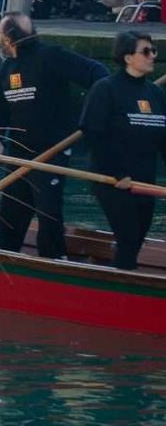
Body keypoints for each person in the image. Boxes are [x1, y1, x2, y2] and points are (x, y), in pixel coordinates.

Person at [0, 12, 107, 259]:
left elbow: (97, 73)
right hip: (18, 154)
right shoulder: (7, 69)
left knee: (48, 210)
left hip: (52, 151)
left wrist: (91, 115)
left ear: (9, 38)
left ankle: (52, 260)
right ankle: (5, 257)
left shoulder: (51, 57)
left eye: (0, 33)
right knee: (11, 210)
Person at [79, 31, 166, 270]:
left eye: (154, 51)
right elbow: (94, 134)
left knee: (138, 237)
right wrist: (117, 173)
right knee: (128, 236)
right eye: (146, 51)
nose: (152, 57)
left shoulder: (155, 93)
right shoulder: (105, 89)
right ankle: (123, 284)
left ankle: (122, 269)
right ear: (128, 57)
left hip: (145, 181)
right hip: (112, 180)